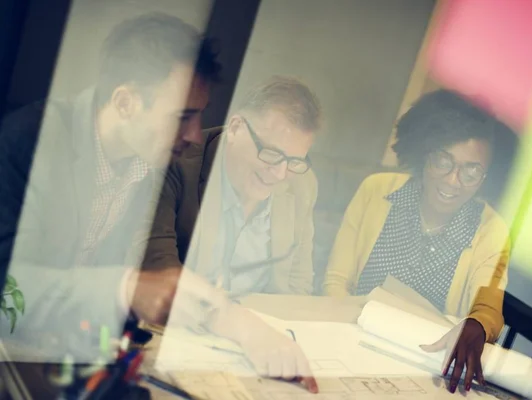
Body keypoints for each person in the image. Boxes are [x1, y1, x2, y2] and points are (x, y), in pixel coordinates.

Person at [0, 14, 318, 391]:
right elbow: (10, 294)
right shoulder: (30, 141)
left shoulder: (147, 162)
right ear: (125, 102)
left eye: (199, 115)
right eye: (183, 116)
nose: (196, 135)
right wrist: (126, 288)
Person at [324, 90, 514, 393]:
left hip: (426, 368)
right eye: (443, 160)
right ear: (424, 153)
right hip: (349, 342)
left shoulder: (491, 229)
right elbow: (337, 280)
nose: (453, 180)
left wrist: (476, 326)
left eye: (471, 170)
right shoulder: (376, 191)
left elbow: (488, 309)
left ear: (486, 177)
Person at [142, 76, 320, 297]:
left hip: (257, 320)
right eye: (272, 153)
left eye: (293, 161)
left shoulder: (302, 183)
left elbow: (297, 285)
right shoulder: (176, 163)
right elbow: (157, 269)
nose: (279, 173)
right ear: (235, 128)